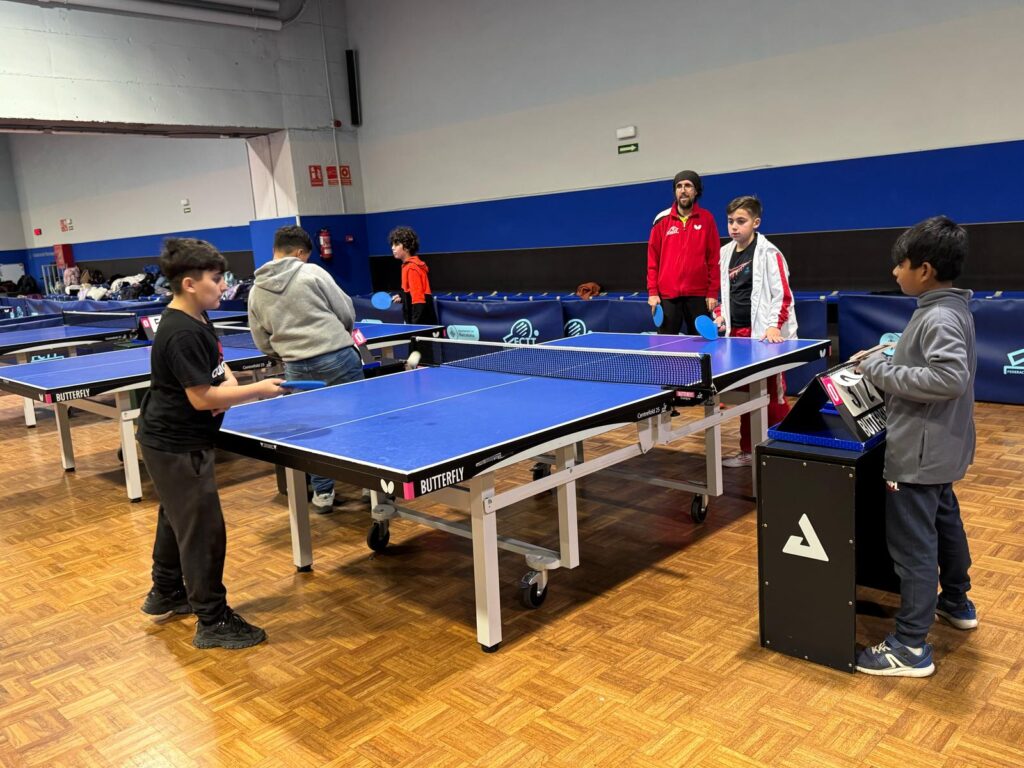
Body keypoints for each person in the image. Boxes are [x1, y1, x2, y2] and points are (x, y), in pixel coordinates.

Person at [137, 238, 286, 649]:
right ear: (189, 283)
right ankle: (213, 619)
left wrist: (231, 389)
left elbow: (218, 373)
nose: (224, 286)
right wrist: (258, 389)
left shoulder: (199, 317)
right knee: (203, 530)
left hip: (178, 437)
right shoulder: (180, 331)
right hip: (176, 443)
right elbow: (202, 397)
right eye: (217, 279)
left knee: (177, 517)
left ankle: (167, 591)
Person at [854, 216, 977, 677]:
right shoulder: (948, 307)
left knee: (913, 547)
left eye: (900, 264)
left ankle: (909, 646)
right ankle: (956, 601)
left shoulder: (938, 316)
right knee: (945, 521)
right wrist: (890, 354)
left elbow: (948, 378)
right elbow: (932, 361)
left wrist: (878, 370)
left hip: (919, 454)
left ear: (924, 270)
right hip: (943, 448)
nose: (894, 272)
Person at [248, 225, 364, 514]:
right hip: (337, 356)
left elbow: (260, 339)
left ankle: (323, 494)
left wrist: (287, 354)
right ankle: (372, 487)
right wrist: (339, 337)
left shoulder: (256, 290)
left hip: (296, 367)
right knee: (362, 420)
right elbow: (346, 310)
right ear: (300, 252)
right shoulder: (312, 272)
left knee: (313, 430)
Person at [713, 196, 797, 468]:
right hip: (736, 336)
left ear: (756, 222)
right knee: (746, 396)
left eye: (741, 221)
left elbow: (783, 296)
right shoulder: (725, 253)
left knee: (772, 395)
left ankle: (782, 449)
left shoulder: (769, 253)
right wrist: (720, 315)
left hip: (764, 336)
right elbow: (724, 294)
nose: (734, 227)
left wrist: (774, 326)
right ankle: (749, 450)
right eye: (730, 221)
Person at [647, 170, 721, 335]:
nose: (683, 190)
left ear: (696, 191)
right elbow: (653, 260)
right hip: (667, 296)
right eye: (679, 186)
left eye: (688, 186)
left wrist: (712, 292)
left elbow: (714, 259)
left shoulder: (707, 219)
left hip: (699, 296)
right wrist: (653, 292)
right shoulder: (661, 219)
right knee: (666, 345)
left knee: (701, 345)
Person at [389, 226, 437, 325]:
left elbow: (418, 301)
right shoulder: (407, 266)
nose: (392, 247)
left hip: (422, 323)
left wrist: (414, 327)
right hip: (421, 320)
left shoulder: (412, 268)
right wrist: (402, 297)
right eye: (392, 244)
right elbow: (411, 292)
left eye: (396, 244)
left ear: (406, 247)